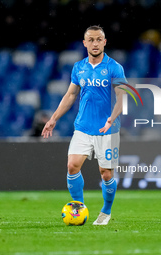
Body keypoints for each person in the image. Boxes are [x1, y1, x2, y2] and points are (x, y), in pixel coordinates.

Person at [42, 25, 127, 225]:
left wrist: (112, 118)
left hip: (108, 129)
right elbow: (71, 95)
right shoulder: (79, 67)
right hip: (82, 127)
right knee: (72, 166)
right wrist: (54, 118)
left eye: (99, 39)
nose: (95, 43)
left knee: (106, 173)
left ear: (104, 42)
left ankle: (105, 212)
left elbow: (122, 96)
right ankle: (78, 209)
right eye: (91, 40)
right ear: (84, 43)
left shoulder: (114, 67)